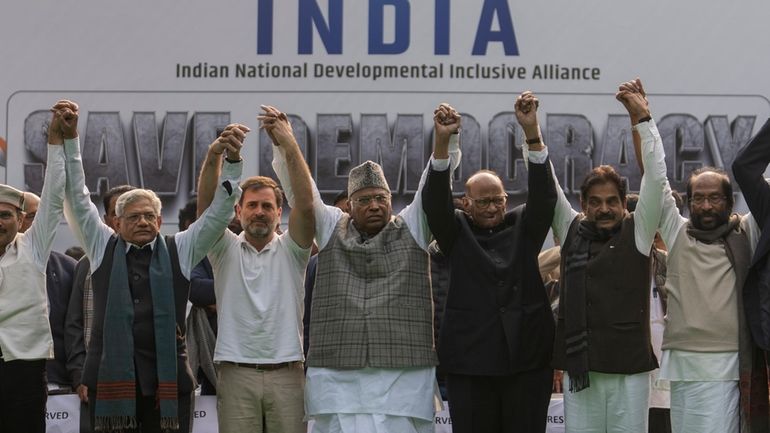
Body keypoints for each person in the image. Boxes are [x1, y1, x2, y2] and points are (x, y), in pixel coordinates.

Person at [272, 103, 460, 433]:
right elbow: (304, 195)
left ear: (390, 199)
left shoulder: (413, 226)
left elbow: (434, 189)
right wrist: (287, 144)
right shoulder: (332, 227)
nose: (374, 205)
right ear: (349, 204)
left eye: (380, 198)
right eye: (364, 200)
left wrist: (444, 142)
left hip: (402, 377)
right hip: (338, 374)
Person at [61, 98, 245, 432]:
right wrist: (72, 141)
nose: (143, 221)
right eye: (134, 216)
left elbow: (219, 214)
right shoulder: (102, 247)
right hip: (110, 378)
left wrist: (231, 163)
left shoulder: (182, 248)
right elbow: (77, 198)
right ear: (116, 222)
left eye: (150, 216)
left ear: (161, 220)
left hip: (169, 383)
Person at [422, 99, 556, 432]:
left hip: (526, 361)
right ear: (467, 203)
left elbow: (545, 197)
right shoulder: (455, 230)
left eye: (497, 199)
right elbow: (434, 202)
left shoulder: (523, 227)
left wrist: (531, 132)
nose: (492, 207)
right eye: (482, 201)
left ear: (506, 200)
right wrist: (442, 143)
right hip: (470, 364)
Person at [548, 80, 666, 433]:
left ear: (624, 203)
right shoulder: (570, 230)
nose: (604, 208)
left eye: (612, 200)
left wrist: (643, 119)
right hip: (581, 369)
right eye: (595, 202)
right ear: (582, 205)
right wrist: (533, 138)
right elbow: (547, 184)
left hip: (628, 368)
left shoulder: (639, 232)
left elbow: (657, 181)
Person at [196, 105, 314, 433]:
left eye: (267, 206)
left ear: (280, 213)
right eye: (252, 205)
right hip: (236, 373)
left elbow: (306, 205)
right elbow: (206, 208)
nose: (259, 212)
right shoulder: (223, 248)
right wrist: (215, 153)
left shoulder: (294, 249)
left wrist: (288, 144)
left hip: (288, 372)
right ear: (238, 210)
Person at [0, 100, 67, 433]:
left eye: (5, 215)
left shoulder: (34, 247)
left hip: (24, 372)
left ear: (20, 219)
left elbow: (54, 195)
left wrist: (57, 140)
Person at [65, 184, 134, 433]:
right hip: (97, 379)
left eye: (134, 210)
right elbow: (74, 324)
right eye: (119, 211)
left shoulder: (157, 260)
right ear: (107, 219)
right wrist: (79, 376)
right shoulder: (87, 264)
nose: (127, 217)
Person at [20, 192, 78, 394]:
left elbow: (77, 330)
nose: (38, 224)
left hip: (60, 383)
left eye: (41, 217)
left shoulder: (70, 268)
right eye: (30, 217)